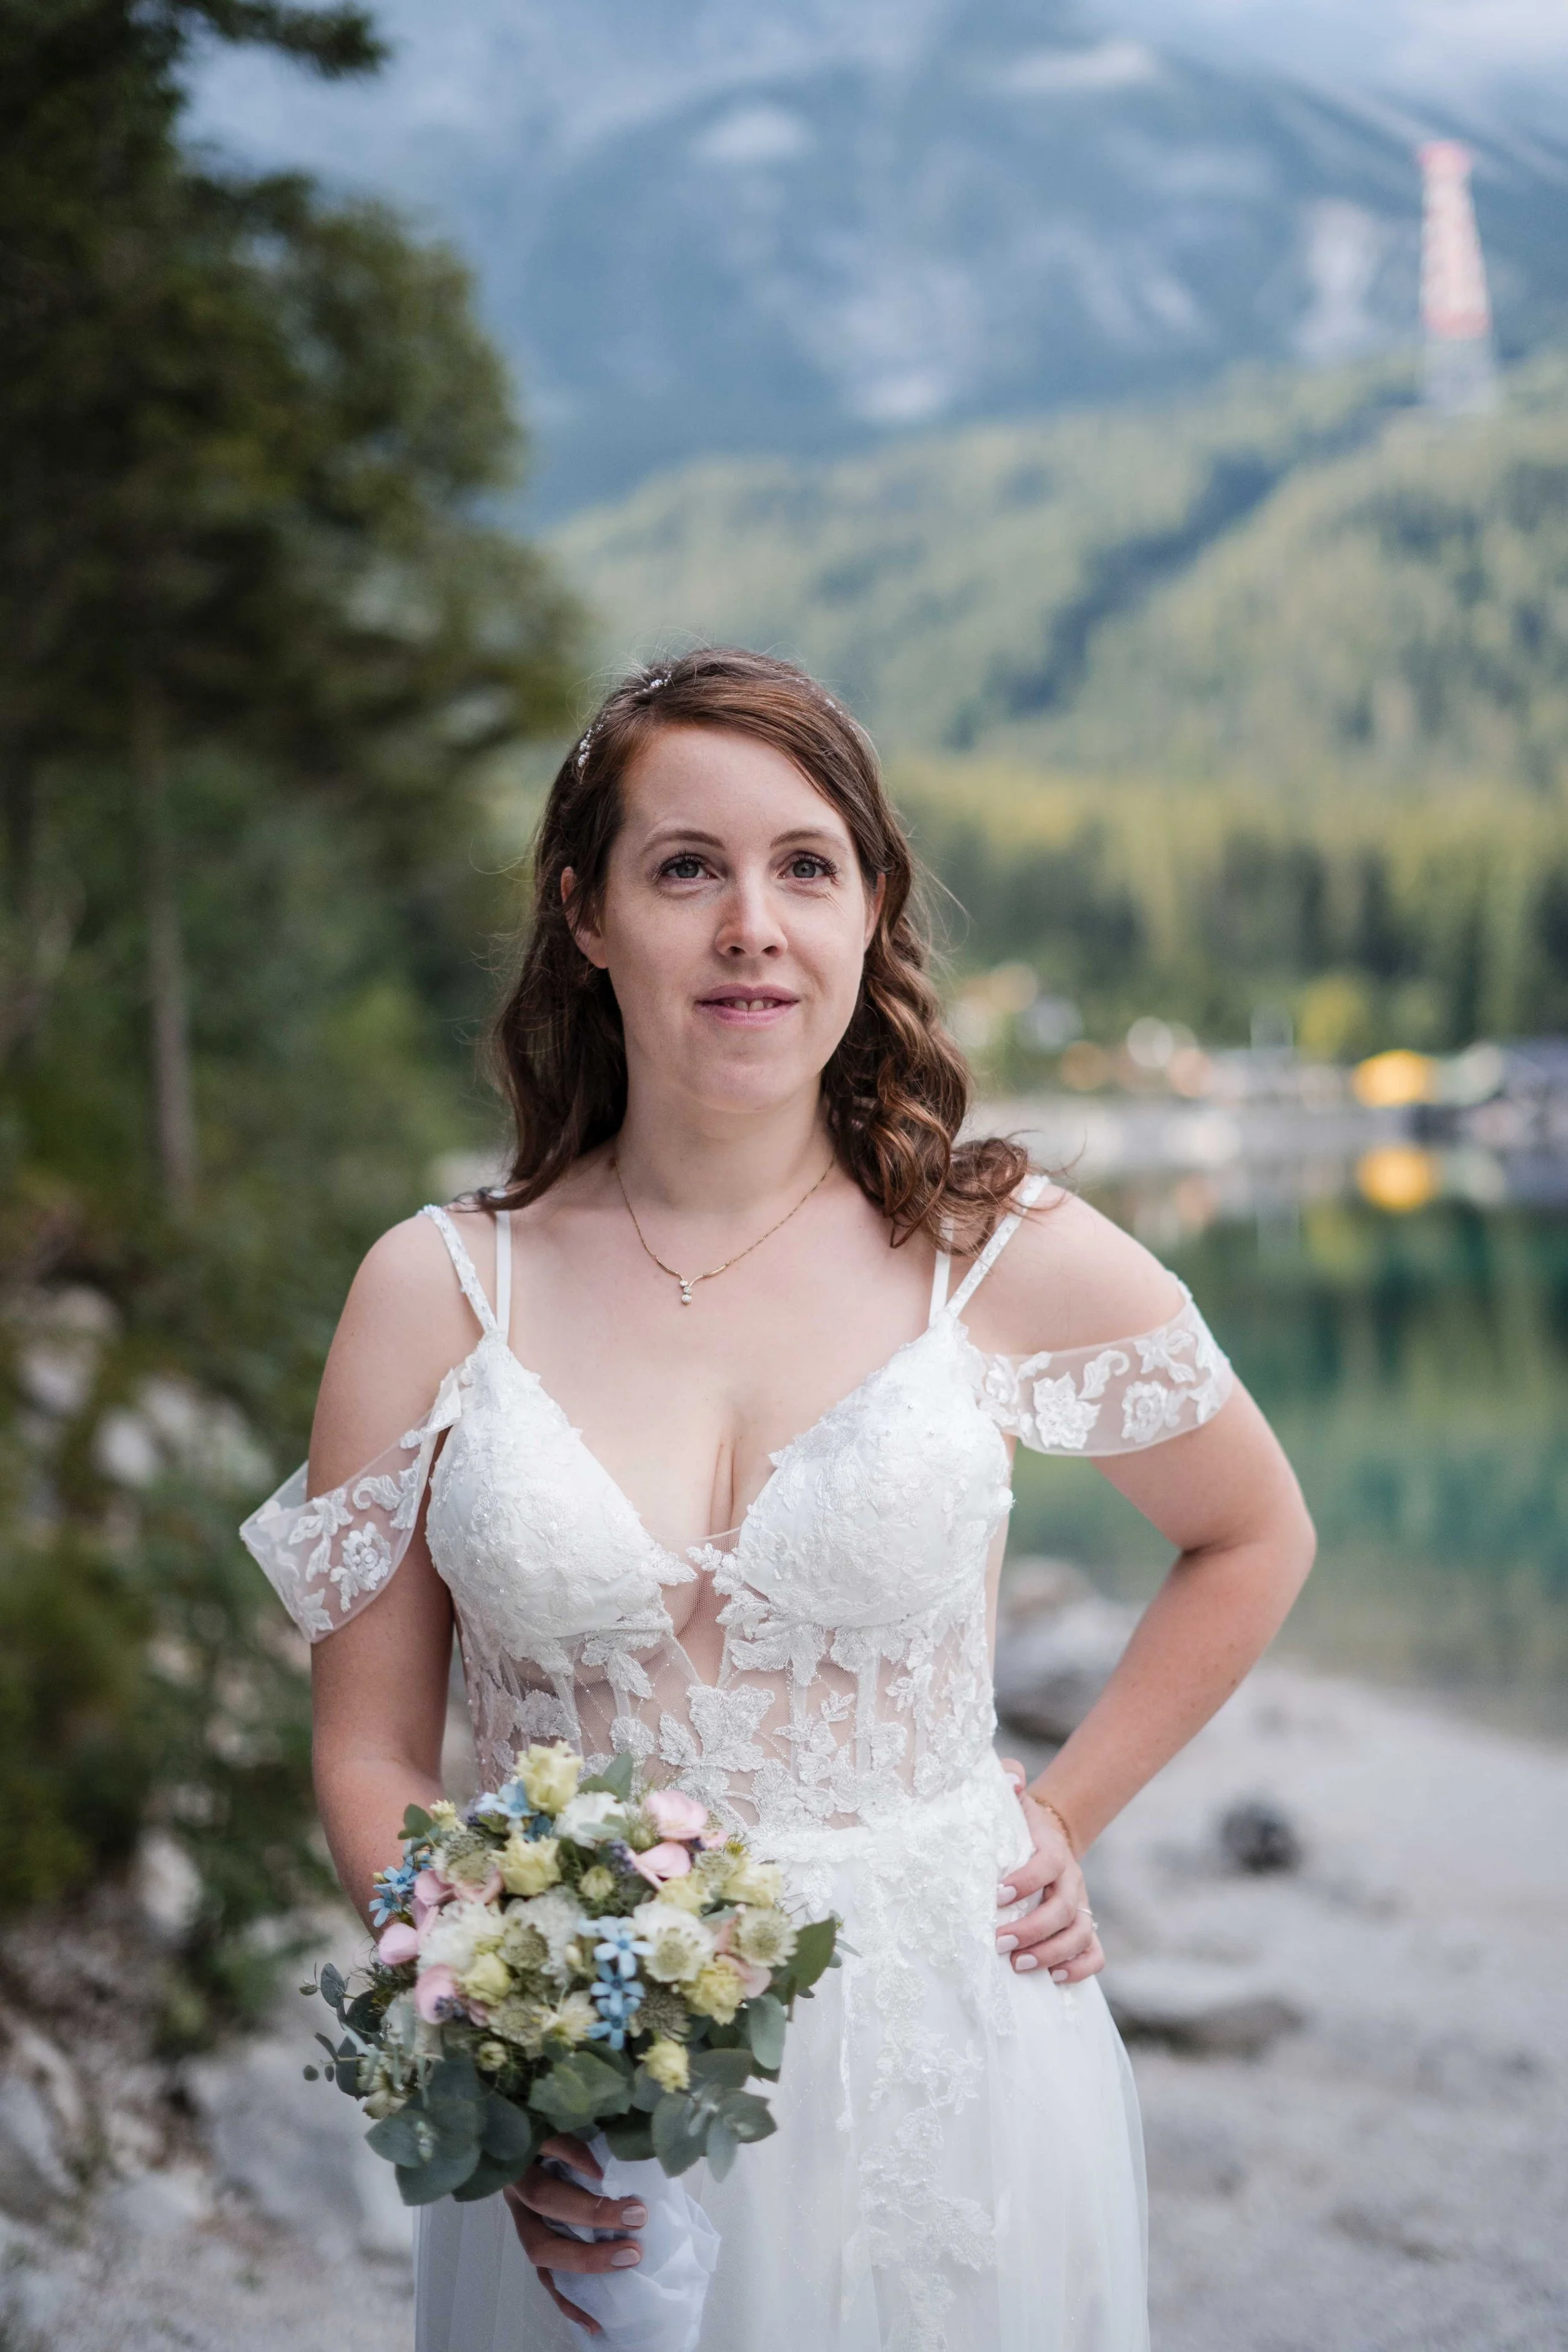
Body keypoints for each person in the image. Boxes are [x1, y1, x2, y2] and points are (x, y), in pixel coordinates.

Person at [243, 647, 1315, 2351]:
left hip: (948, 2052)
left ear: (867, 909)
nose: (752, 923)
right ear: (586, 914)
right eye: (687, 867)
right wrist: (485, 2034)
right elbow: (368, 1750)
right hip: (586, 2099)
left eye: (803, 864)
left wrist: (1062, 1810)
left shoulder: (997, 1253)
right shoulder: (436, 1290)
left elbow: (1251, 1530)